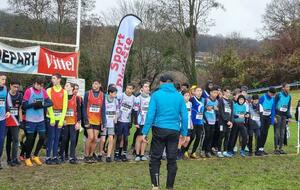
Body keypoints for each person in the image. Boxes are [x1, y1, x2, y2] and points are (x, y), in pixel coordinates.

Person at [141, 74, 188, 190]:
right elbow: (185, 116)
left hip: (159, 129)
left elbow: (150, 115)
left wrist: (144, 132)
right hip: (174, 130)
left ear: (161, 83)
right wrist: (184, 133)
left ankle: (155, 186)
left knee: (155, 158)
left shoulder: (156, 95)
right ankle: (169, 187)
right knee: (172, 160)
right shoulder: (179, 96)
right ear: (172, 83)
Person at [22, 77, 53, 167]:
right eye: (39, 85)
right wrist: (34, 105)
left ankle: (35, 155)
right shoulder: (29, 91)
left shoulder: (43, 91)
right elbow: (24, 106)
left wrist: (42, 105)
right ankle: (27, 157)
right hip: (30, 120)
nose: (40, 87)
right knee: (30, 140)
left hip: (40, 120)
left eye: (42, 85)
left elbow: (51, 103)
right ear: (35, 83)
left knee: (43, 138)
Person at [46, 73, 68, 165]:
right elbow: (49, 105)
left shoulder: (64, 92)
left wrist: (62, 120)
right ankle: (48, 157)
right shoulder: (49, 90)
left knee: (57, 138)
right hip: (51, 118)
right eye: (52, 78)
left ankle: (55, 156)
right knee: (51, 137)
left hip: (59, 118)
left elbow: (65, 106)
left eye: (54, 78)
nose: (52, 80)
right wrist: (52, 118)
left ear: (59, 80)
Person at [83, 80, 106, 163]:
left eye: (96, 83)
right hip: (89, 119)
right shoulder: (87, 93)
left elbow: (103, 109)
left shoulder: (103, 95)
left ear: (100, 85)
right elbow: (84, 107)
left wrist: (104, 122)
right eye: (93, 83)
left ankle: (90, 155)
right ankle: (86, 155)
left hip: (97, 120)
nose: (94, 85)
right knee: (91, 137)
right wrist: (85, 119)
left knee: (95, 139)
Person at [61, 82, 81, 164]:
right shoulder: (62, 97)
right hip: (65, 122)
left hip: (73, 122)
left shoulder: (76, 98)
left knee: (73, 140)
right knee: (64, 139)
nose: (65, 86)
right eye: (65, 85)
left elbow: (79, 111)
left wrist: (78, 122)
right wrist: (63, 119)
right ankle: (61, 155)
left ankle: (72, 157)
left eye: (67, 85)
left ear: (72, 88)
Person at [115, 83, 135, 162]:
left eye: (130, 88)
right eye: (127, 88)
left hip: (127, 121)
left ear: (133, 90)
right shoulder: (120, 96)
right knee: (119, 137)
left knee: (126, 139)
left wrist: (132, 121)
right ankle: (117, 154)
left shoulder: (134, 98)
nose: (128, 90)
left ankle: (123, 154)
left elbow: (134, 110)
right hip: (120, 120)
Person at [6, 78, 23, 166]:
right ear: (10, 86)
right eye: (14, 87)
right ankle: (8, 159)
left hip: (15, 122)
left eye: (17, 87)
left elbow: (20, 109)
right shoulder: (5, 95)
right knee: (8, 140)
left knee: (16, 140)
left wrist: (21, 121)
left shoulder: (20, 95)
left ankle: (14, 159)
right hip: (6, 121)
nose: (16, 89)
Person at [184, 86, 204, 158]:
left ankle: (193, 152)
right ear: (194, 92)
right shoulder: (192, 99)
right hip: (192, 122)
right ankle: (185, 150)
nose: (199, 92)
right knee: (192, 137)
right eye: (198, 91)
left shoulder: (203, 99)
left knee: (198, 137)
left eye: (200, 91)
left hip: (200, 122)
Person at [134, 80, 151, 161]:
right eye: (145, 86)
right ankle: (137, 154)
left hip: (147, 122)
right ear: (142, 88)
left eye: (148, 86)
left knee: (145, 137)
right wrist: (136, 122)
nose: (147, 88)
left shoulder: (151, 98)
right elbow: (135, 111)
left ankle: (142, 154)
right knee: (139, 137)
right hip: (140, 121)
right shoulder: (138, 98)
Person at [100, 86, 118, 163]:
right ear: (110, 93)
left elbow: (117, 110)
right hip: (105, 122)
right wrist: (102, 121)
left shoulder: (115, 101)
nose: (115, 94)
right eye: (114, 93)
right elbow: (101, 110)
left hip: (111, 123)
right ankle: (100, 153)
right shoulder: (104, 99)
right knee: (103, 140)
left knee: (111, 139)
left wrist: (116, 117)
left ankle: (108, 155)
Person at [274, 83, 291, 154]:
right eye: (287, 87)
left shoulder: (289, 96)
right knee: (277, 132)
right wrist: (274, 115)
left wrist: (289, 116)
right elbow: (274, 105)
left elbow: (288, 107)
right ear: (283, 88)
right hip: (278, 115)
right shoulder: (278, 95)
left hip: (284, 116)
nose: (288, 88)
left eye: (289, 87)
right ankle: (276, 148)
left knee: (282, 132)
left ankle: (281, 148)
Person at [258, 87, 276, 155]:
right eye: (271, 94)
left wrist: (272, 120)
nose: (272, 95)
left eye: (273, 94)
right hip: (262, 117)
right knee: (261, 132)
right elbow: (258, 106)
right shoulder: (263, 97)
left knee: (265, 133)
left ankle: (262, 148)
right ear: (268, 92)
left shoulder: (273, 99)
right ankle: (258, 149)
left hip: (268, 118)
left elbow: (273, 109)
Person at [203, 86, 219, 158]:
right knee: (206, 136)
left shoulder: (217, 101)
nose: (215, 94)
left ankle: (208, 151)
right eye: (214, 92)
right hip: (206, 121)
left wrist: (216, 110)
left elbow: (217, 110)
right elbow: (203, 109)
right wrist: (211, 107)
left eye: (216, 93)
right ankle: (203, 150)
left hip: (213, 121)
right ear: (210, 93)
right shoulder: (206, 100)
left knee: (211, 137)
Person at [217, 87, 233, 158]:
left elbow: (232, 112)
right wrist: (227, 121)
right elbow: (221, 112)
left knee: (227, 136)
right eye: (227, 92)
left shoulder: (231, 101)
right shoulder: (220, 100)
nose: (229, 93)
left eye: (230, 92)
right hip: (222, 122)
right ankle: (219, 151)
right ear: (224, 92)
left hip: (229, 123)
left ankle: (225, 151)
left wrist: (231, 121)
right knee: (221, 136)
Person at [177, 90, 193, 160]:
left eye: (188, 95)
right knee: (181, 139)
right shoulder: (180, 104)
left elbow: (190, 115)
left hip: (188, 124)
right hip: (181, 124)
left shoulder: (190, 104)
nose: (187, 97)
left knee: (188, 139)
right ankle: (178, 154)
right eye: (185, 95)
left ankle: (182, 152)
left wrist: (191, 123)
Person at [0, 73, 10, 170]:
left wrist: (7, 110)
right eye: (2, 79)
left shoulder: (5, 88)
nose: (4, 81)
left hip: (2, 119)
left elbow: (5, 101)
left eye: (5, 80)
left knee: (1, 140)